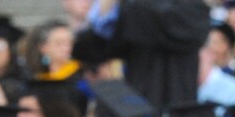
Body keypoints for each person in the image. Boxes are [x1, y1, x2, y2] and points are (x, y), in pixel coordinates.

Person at [75, 0, 209, 108]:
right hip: (139, 107)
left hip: (179, 105)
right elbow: (91, 50)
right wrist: (104, 13)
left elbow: (180, 29)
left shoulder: (192, 8)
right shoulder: (130, 9)